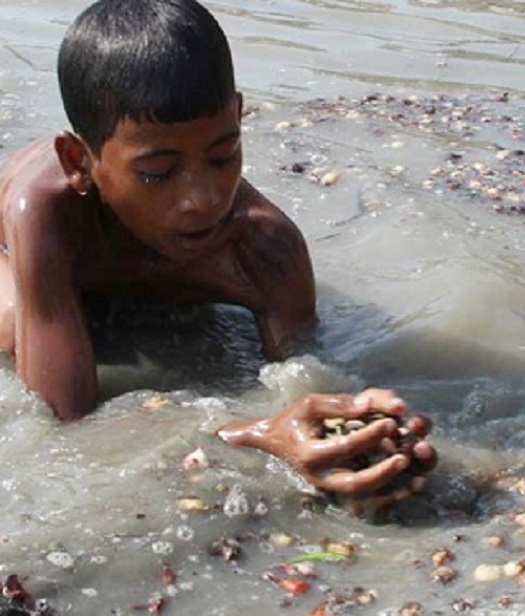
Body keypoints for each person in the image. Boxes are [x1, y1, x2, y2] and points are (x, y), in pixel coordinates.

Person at [0, 0, 433, 500]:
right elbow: (65, 418)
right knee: (12, 326)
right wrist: (256, 435)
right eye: (158, 173)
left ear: (240, 118)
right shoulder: (46, 213)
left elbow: (306, 379)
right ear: (78, 161)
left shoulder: (265, 248)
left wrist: (363, 430)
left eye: (224, 156)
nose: (204, 200)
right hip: (20, 259)